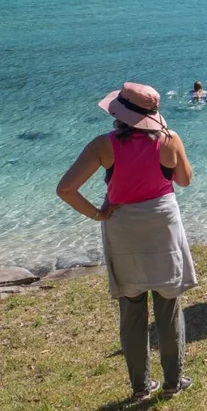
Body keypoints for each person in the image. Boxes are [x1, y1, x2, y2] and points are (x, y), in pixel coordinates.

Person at [56, 82, 196, 400]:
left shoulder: (103, 145)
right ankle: (173, 382)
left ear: (119, 114)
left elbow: (66, 189)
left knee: (132, 310)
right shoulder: (169, 139)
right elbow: (185, 180)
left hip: (124, 229)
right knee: (169, 305)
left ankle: (140, 387)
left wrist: (98, 214)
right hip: (163, 226)